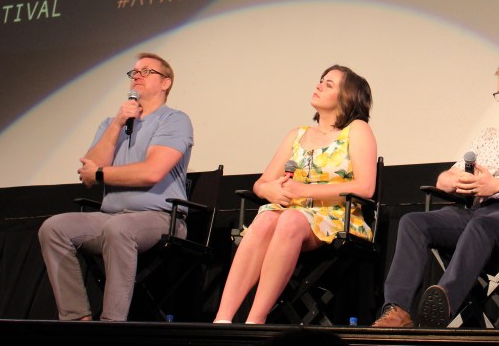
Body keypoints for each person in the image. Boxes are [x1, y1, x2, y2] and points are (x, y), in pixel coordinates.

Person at [372, 59, 499, 328]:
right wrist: (455, 180)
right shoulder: (487, 136)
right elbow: (444, 179)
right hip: (478, 211)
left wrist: (498, 185)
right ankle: (397, 311)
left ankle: (444, 304)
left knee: (482, 224)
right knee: (414, 222)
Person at [213, 65, 377, 324]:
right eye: (321, 80)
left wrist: (304, 190)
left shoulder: (356, 130)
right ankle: (222, 320)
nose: (319, 85)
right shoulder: (298, 134)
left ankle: (255, 320)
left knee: (289, 220)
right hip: (290, 211)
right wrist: (270, 190)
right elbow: (261, 184)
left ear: (348, 97)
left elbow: (365, 187)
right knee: (266, 218)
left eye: (329, 84)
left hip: (336, 216)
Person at [38, 52, 194, 321]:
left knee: (118, 229)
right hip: (111, 217)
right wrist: (117, 124)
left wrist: (100, 173)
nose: (137, 76)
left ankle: (112, 324)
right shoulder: (112, 124)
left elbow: (151, 172)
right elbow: (89, 173)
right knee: (54, 228)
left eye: (146, 71)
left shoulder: (174, 120)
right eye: (133, 72)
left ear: (165, 82)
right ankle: (76, 318)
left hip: (161, 219)